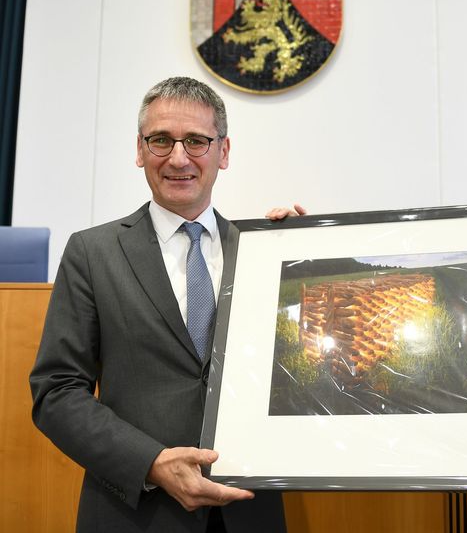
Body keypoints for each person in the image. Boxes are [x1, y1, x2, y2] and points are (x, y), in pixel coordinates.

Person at [29, 77, 304, 532]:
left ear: (224, 151)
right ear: (140, 150)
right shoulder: (92, 253)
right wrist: (151, 462)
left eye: (196, 140)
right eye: (161, 140)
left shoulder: (263, 252)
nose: (178, 157)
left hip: (250, 514)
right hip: (134, 513)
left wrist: (307, 267)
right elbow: (55, 391)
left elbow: (303, 373)